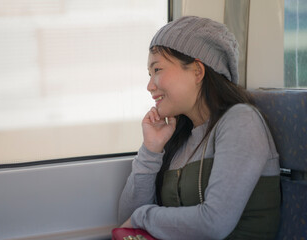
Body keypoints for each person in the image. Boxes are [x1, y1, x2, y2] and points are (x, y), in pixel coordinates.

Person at [117, 16, 281, 240]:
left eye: (157, 69)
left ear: (197, 71)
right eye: (149, 74)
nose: (149, 85)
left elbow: (214, 223)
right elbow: (127, 224)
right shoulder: (181, 137)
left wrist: (144, 217)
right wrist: (151, 150)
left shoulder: (241, 122)